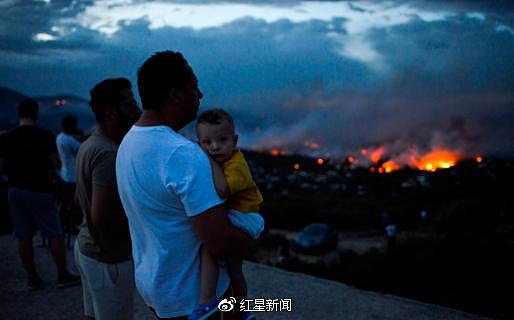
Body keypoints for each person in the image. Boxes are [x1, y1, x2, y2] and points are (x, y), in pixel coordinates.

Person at [116, 50, 258, 320]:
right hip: (192, 299)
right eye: (194, 86)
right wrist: (254, 239)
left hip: (156, 286)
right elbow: (219, 243)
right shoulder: (183, 154)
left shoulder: (130, 142)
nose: (200, 95)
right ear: (176, 95)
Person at [74, 78, 141, 320]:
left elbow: (78, 198)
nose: (138, 110)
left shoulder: (90, 143)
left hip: (86, 248)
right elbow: (102, 217)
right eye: (130, 103)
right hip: (108, 260)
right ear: (111, 111)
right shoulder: (109, 154)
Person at [0, 98, 80, 289]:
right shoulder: (44, 135)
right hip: (39, 189)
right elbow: (56, 163)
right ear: (36, 114)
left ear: (19, 114)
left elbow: (2, 166)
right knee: (54, 231)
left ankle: (33, 278)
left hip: (15, 189)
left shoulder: (8, 137)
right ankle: (62, 274)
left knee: (23, 235)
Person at [194, 109, 264, 320]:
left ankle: (207, 301)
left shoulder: (236, 164)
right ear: (199, 143)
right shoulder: (226, 159)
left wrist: (210, 162)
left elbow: (223, 190)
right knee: (234, 270)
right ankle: (241, 313)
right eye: (207, 142)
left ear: (234, 140)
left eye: (222, 140)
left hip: (246, 216)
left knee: (209, 248)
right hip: (243, 215)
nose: (215, 147)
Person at [56, 116, 82, 236]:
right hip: (73, 176)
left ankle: (63, 224)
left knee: (65, 202)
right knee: (73, 203)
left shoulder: (59, 137)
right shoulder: (70, 140)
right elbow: (82, 149)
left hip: (64, 173)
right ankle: (71, 226)